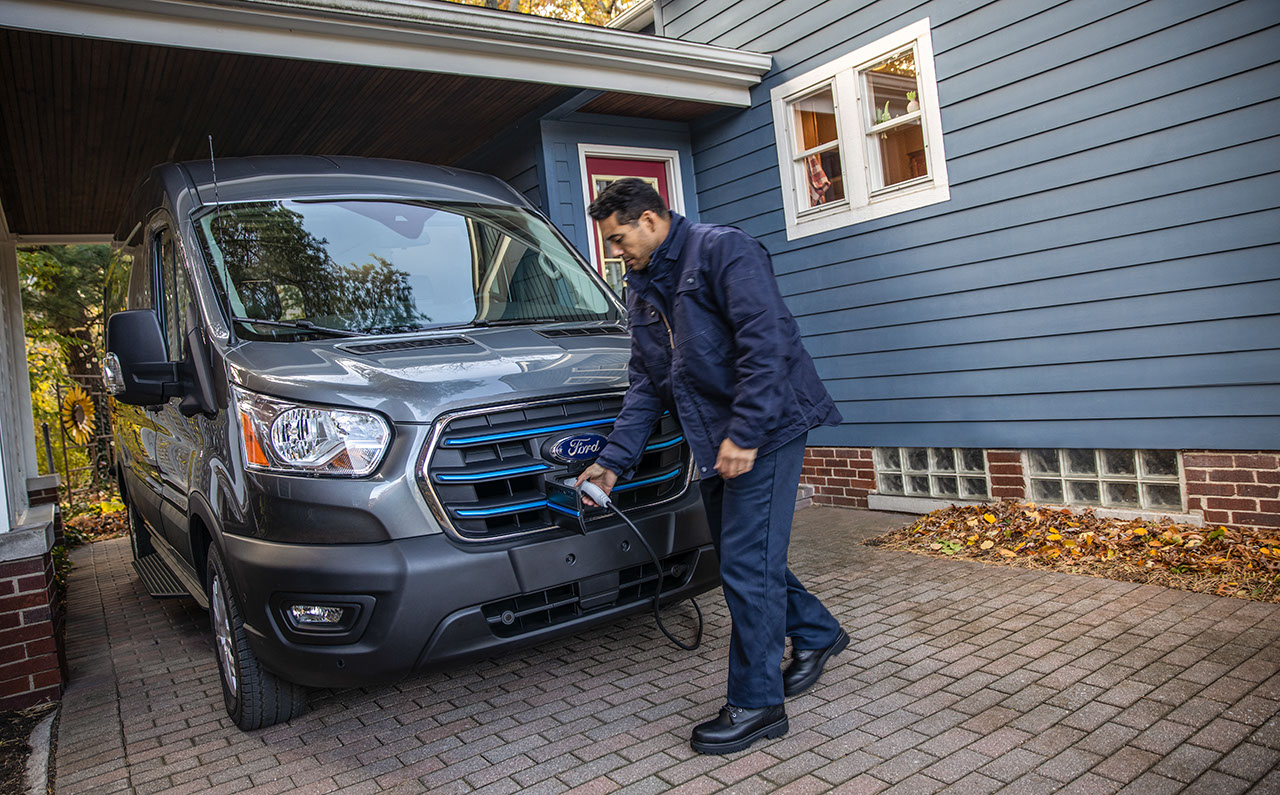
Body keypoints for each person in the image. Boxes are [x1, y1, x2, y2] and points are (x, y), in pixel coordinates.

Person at [576, 178, 849, 755]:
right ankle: (819, 632)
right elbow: (647, 385)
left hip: (767, 428)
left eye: (620, 239)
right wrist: (611, 464)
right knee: (741, 560)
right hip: (716, 440)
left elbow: (767, 342)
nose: (616, 252)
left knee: (749, 566)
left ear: (650, 220)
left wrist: (745, 433)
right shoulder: (643, 286)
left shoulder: (724, 250)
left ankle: (757, 705)